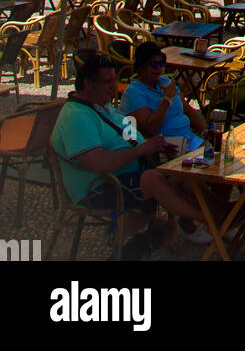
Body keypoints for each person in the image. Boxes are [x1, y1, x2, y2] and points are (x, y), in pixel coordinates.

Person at [51, 53, 213, 252]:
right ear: (88, 84)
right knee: (153, 179)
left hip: (128, 174)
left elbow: (131, 135)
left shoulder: (102, 106)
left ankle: (224, 212)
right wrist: (140, 151)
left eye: (114, 80)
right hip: (99, 188)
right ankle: (214, 221)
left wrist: (155, 145)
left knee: (184, 166)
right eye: (107, 82)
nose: (113, 86)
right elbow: (96, 163)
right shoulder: (77, 116)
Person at [118, 42, 207, 153]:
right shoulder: (134, 92)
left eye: (162, 64)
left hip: (189, 138)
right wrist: (167, 100)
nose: (159, 68)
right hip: (169, 147)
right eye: (154, 64)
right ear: (141, 67)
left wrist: (205, 131)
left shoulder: (165, 81)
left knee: (218, 155)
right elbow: (150, 129)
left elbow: (187, 108)